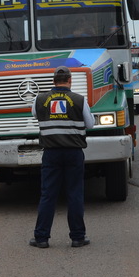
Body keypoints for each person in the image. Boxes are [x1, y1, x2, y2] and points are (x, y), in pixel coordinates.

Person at [30, 65, 95, 248]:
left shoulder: (39, 99)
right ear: (70, 80)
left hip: (51, 153)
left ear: (53, 81)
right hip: (74, 153)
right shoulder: (79, 100)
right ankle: (77, 237)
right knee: (74, 193)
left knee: (48, 195)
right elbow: (90, 125)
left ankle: (41, 238)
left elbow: (34, 114)